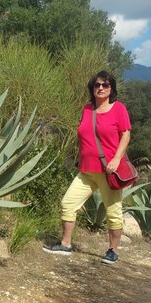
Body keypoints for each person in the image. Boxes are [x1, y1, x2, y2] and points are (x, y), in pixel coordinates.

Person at [43, 70, 131, 265]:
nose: (100, 88)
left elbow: (125, 134)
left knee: (113, 212)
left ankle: (113, 251)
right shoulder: (87, 109)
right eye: (97, 85)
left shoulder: (118, 109)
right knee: (68, 203)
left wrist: (117, 159)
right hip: (86, 170)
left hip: (108, 171)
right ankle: (65, 245)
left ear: (111, 89)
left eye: (105, 85)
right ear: (92, 88)